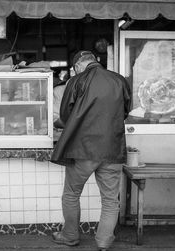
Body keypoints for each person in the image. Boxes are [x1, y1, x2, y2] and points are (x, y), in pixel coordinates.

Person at [51, 51, 131, 251]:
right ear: (96, 62)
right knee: (110, 200)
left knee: (71, 194)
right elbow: (125, 111)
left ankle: (70, 236)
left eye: (74, 68)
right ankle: (103, 242)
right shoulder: (119, 80)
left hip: (83, 149)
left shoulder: (76, 81)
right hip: (112, 149)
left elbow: (65, 115)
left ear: (78, 65)